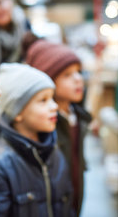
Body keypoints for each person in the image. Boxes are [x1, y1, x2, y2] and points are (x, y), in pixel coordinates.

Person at [0, 63, 75, 217]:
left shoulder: (54, 151)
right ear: (18, 112)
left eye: (52, 98)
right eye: (43, 100)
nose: (54, 106)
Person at [26, 40, 93, 216]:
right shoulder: (44, 124)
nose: (78, 79)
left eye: (78, 72)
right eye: (67, 75)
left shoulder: (77, 116)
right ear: (48, 79)